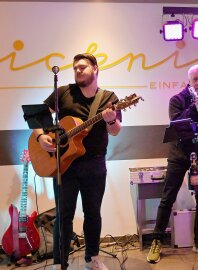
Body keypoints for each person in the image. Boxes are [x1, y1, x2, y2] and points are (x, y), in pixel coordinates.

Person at [33, 53, 122, 269]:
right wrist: (40, 136)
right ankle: (59, 262)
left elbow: (116, 131)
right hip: (64, 165)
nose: (78, 71)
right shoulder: (63, 92)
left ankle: (93, 258)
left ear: (95, 69)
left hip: (94, 164)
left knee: (93, 212)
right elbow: (37, 117)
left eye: (82, 67)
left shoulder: (109, 98)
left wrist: (111, 121)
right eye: (75, 68)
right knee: (64, 214)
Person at [146, 64, 198, 264]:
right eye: (194, 79)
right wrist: (193, 106)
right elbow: (176, 122)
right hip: (179, 155)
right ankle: (157, 241)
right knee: (167, 197)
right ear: (188, 80)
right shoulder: (176, 100)